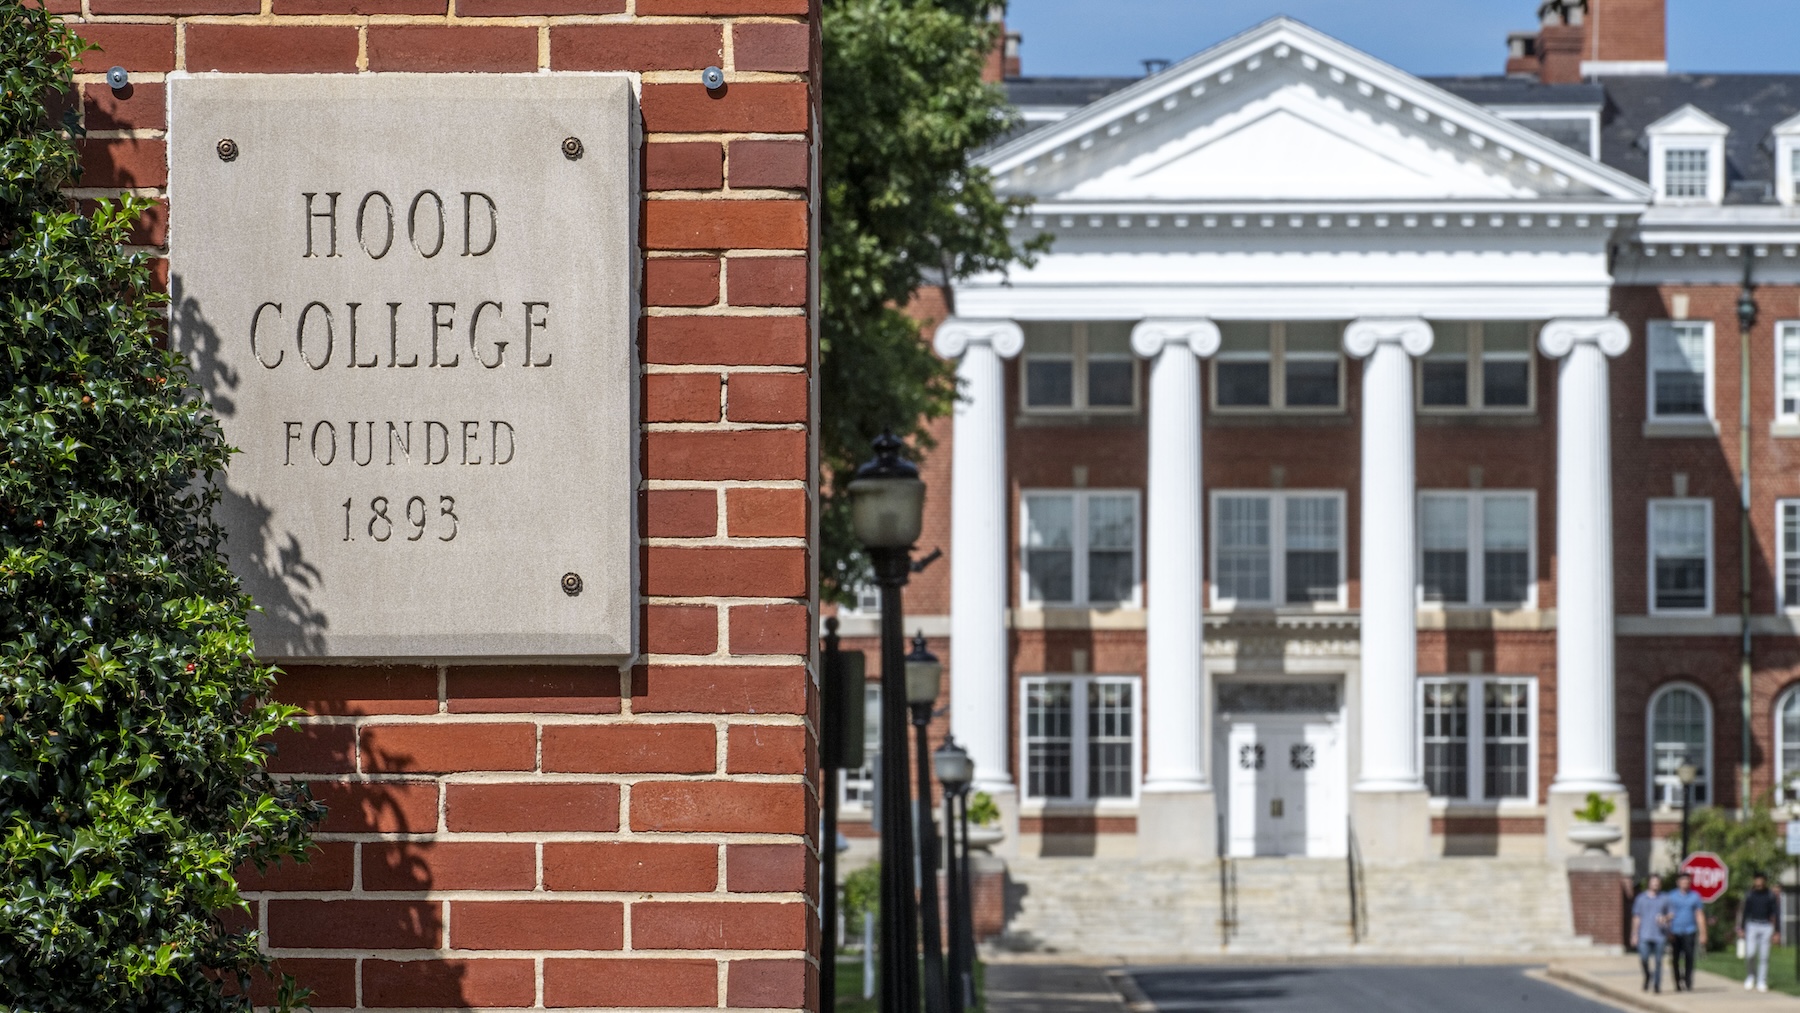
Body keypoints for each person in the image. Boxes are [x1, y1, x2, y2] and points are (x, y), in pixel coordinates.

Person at [1739, 872, 1782, 993]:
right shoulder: (1750, 895)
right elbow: (1745, 912)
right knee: (1750, 953)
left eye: (1761, 879)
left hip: (1766, 926)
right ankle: (1750, 975)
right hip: (1752, 924)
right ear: (1754, 881)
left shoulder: (1770, 895)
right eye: (1757, 879)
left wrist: (1777, 931)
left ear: (1764, 881)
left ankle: (1761, 981)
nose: (1759, 882)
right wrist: (1741, 928)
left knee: (1764, 956)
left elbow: (1776, 914)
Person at [1666, 872, 1708, 992]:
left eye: (1687, 881)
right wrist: (1668, 931)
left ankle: (1688, 981)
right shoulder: (1671, 896)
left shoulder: (1695, 896)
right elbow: (1667, 914)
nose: (1685, 883)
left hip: (1690, 930)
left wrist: (1703, 933)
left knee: (1689, 957)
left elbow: (1699, 915)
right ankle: (1677, 981)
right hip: (1675, 931)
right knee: (1675, 958)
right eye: (1683, 881)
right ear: (1678, 882)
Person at [1631, 875, 1672, 993]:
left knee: (1659, 961)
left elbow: (1671, 914)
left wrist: (1665, 918)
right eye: (1653, 882)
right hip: (1644, 934)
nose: (1655, 884)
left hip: (1660, 935)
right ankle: (1648, 975)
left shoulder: (1665, 898)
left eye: (1657, 882)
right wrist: (1634, 934)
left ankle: (1657, 985)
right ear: (1649, 883)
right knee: (1644, 958)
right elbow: (1636, 917)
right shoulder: (1641, 899)